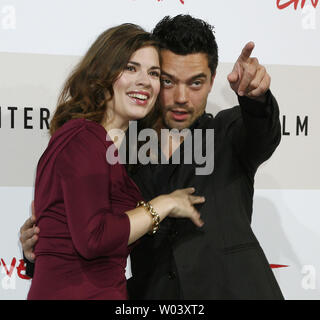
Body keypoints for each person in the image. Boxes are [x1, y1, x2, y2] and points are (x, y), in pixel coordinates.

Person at [21, 15, 284, 299]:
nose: (182, 97)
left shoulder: (229, 133)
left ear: (212, 81)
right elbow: (95, 234)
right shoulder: (113, 145)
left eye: (195, 83)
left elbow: (262, 131)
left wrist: (256, 97)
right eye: (168, 81)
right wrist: (39, 249)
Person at [25, 23, 204, 300]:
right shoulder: (83, 137)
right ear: (103, 74)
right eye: (131, 68)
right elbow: (94, 238)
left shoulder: (115, 150)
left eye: (154, 73)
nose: (145, 81)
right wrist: (164, 203)